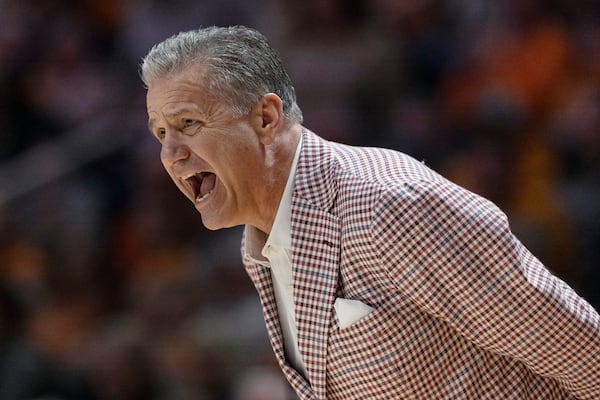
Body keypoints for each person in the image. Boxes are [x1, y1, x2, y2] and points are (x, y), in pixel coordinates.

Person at [141, 26, 600, 399]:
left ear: (266, 118)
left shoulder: (389, 205)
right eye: (160, 132)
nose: (170, 153)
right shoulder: (258, 244)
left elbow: (581, 350)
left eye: (188, 124)